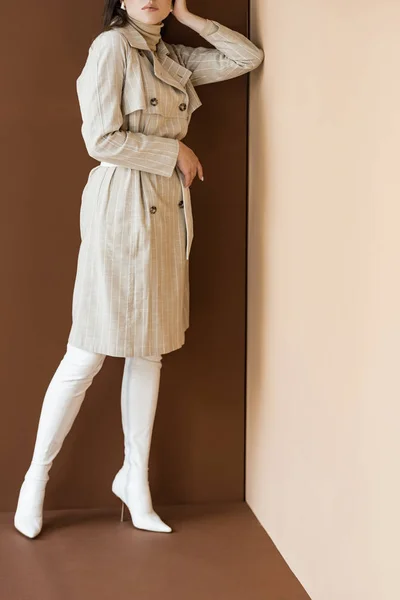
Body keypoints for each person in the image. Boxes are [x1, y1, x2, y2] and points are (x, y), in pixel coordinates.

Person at [14, 0, 264, 539]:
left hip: (167, 210)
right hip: (120, 205)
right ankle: (35, 478)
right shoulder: (111, 48)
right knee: (86, 352)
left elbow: (246, 57)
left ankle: (135, 478)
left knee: (148, 350)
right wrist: (170, 148)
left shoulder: (171, 54)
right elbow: (98, 139)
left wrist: (191, 19)